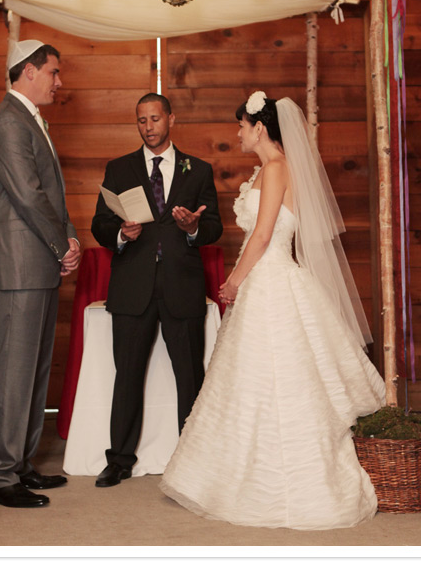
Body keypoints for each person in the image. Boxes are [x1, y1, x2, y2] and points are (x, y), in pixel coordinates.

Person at [160, 92, 386, 530]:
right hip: (267, 279)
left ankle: (284, 481)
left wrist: (233, 281)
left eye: (241, 125)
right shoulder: (270, 169)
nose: (237, 133)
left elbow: (262, 237)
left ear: (259, 127)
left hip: (270, 278)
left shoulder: (278, 168)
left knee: (276, 380)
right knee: (251, 381)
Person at [91, 92, 223, 488]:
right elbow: (99, 224)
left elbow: (214, 226)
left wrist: (192, 228)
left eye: (154, 119)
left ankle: (194, 458)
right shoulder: (119, 169)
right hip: (133, 288)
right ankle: (119, 460)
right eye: (141, 120)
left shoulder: (198, 170)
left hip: (181, 287)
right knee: (127, 376)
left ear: (171, 119)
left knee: (190, 377)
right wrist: (120, 233)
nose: (148, 127)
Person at [0, 40, 81, 509]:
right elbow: (27, 196)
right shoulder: (6, 122)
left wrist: (71, 240)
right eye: (54, 73)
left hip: (40, 262)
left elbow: (51, 197)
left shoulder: (29, 121)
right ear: (29, 72)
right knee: (14, 373)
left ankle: (19, 465)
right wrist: (63, 245)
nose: (60, 83)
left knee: (35, 372)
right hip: (20, 266)